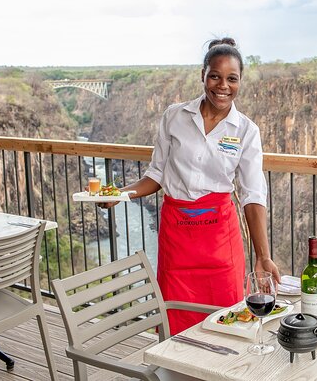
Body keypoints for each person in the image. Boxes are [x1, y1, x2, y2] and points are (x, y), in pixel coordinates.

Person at [101, 37, 280, 335]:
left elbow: (252, 194)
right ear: (203, 75)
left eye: (231, 79)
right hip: (177, 237)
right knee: (175, 316)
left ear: (240, 82)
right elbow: (156, 175)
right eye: (215, 76)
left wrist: (263, 255)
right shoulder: (174, 116)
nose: (222, 85)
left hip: (220, 240)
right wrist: (121, 194)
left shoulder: (247, 131)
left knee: (227, 318)